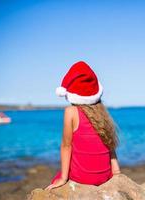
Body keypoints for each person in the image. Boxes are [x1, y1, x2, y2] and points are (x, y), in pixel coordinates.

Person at [45, 61, 120, 190]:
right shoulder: (102, 111)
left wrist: (63, 178)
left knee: (56, 178)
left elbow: (66, 146)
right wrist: (116, 171)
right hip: (105, 176)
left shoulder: (71, 112)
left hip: (82, 178)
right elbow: (110, 144)